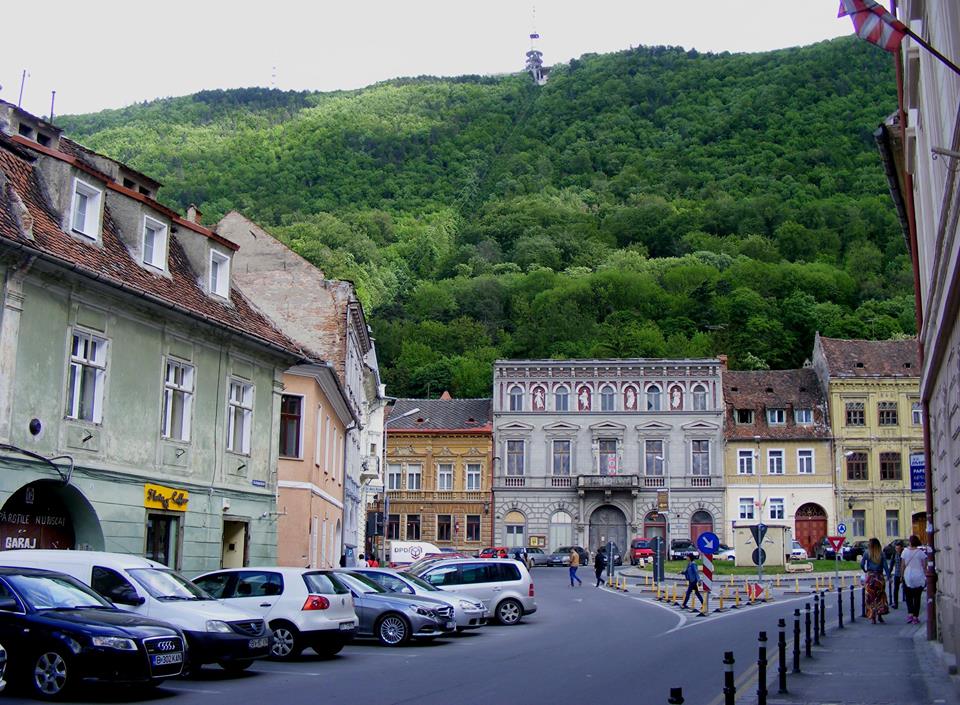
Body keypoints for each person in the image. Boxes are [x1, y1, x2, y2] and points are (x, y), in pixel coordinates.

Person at [861, 538, 890, 623]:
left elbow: (862, 564)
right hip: (879, 577)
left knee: (870, 597)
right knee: (880, 597)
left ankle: (872, 616)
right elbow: (885, 566)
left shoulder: (866, 553)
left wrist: (865, 570)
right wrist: (888, 576)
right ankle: (880, 615)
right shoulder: (881, 554)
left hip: (870, 578)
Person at [901, 535, 928, 624]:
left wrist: (902, 575)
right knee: (917, 597)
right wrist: (926, 576)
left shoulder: (905, 552)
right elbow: (924, 566)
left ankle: (910, 614)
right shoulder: (921, 553)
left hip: (908, 575)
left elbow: (903, 565)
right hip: (918, 575)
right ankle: (916, 617)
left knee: (908, 597)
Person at [891, 540, 904, 609]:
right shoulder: (894, 554)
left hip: (904, 574)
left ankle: (908, 602)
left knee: (906, 589)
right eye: (896, 548)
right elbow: (891, 564)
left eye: (898, 548)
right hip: (896, 574)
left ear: (901, 548)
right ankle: (895, 603)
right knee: (896, 589)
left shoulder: (904, 554)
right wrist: (889, 573)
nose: (897, 550)